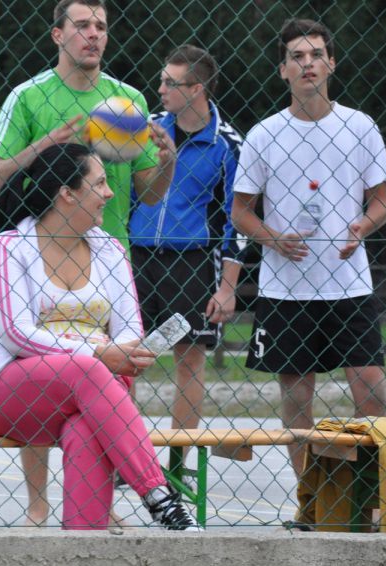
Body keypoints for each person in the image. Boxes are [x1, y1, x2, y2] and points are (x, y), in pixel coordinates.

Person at [0, 0, 177, 525]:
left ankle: (100, 505)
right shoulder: (29, 96)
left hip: (105, 254)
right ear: (58, 34)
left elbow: (149, 195)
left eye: (101, 27)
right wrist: (51, 143)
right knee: (50, 364)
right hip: (41, 252)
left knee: (107, 372)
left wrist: (169, 161)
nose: (93, 35)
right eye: (83, 26)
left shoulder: (128, 100)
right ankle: (39, 502)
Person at [0, 142, 200, 531]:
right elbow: (15, 334)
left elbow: (129, 326)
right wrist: (99, 352)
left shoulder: (109, 250)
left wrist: (128, 353)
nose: (110, 193)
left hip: (90, 393)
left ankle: (83, 547)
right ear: (67, 193)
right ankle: (159, 495)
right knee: (88, 370)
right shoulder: (9, 248)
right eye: (100, 183)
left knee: (85, 425)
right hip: (10, 393)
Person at [231, 18, 386, 479]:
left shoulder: (359, 127)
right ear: (283, 70)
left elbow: (381, 201)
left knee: (372, 391)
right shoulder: (264, 135)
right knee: (297, 397)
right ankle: (309, 497)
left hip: (349, 284)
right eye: (297, 57)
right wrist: (272, 238)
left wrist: (363, 224)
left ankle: (376, 489)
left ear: (331, 64)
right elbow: (241, 212)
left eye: (316, 55)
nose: (307, 64)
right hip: (286, 290)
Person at [128, 45, 244, 475]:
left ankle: (176, 468)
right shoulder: (146, 130)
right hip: (136, 257)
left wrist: (228, 287)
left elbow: (238, 220)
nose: (159, 90)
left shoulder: (228, 144)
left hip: (191, 262)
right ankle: (127, 461)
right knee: (125, 358)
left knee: (189, 360)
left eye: (169, 83)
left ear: (196, 89)